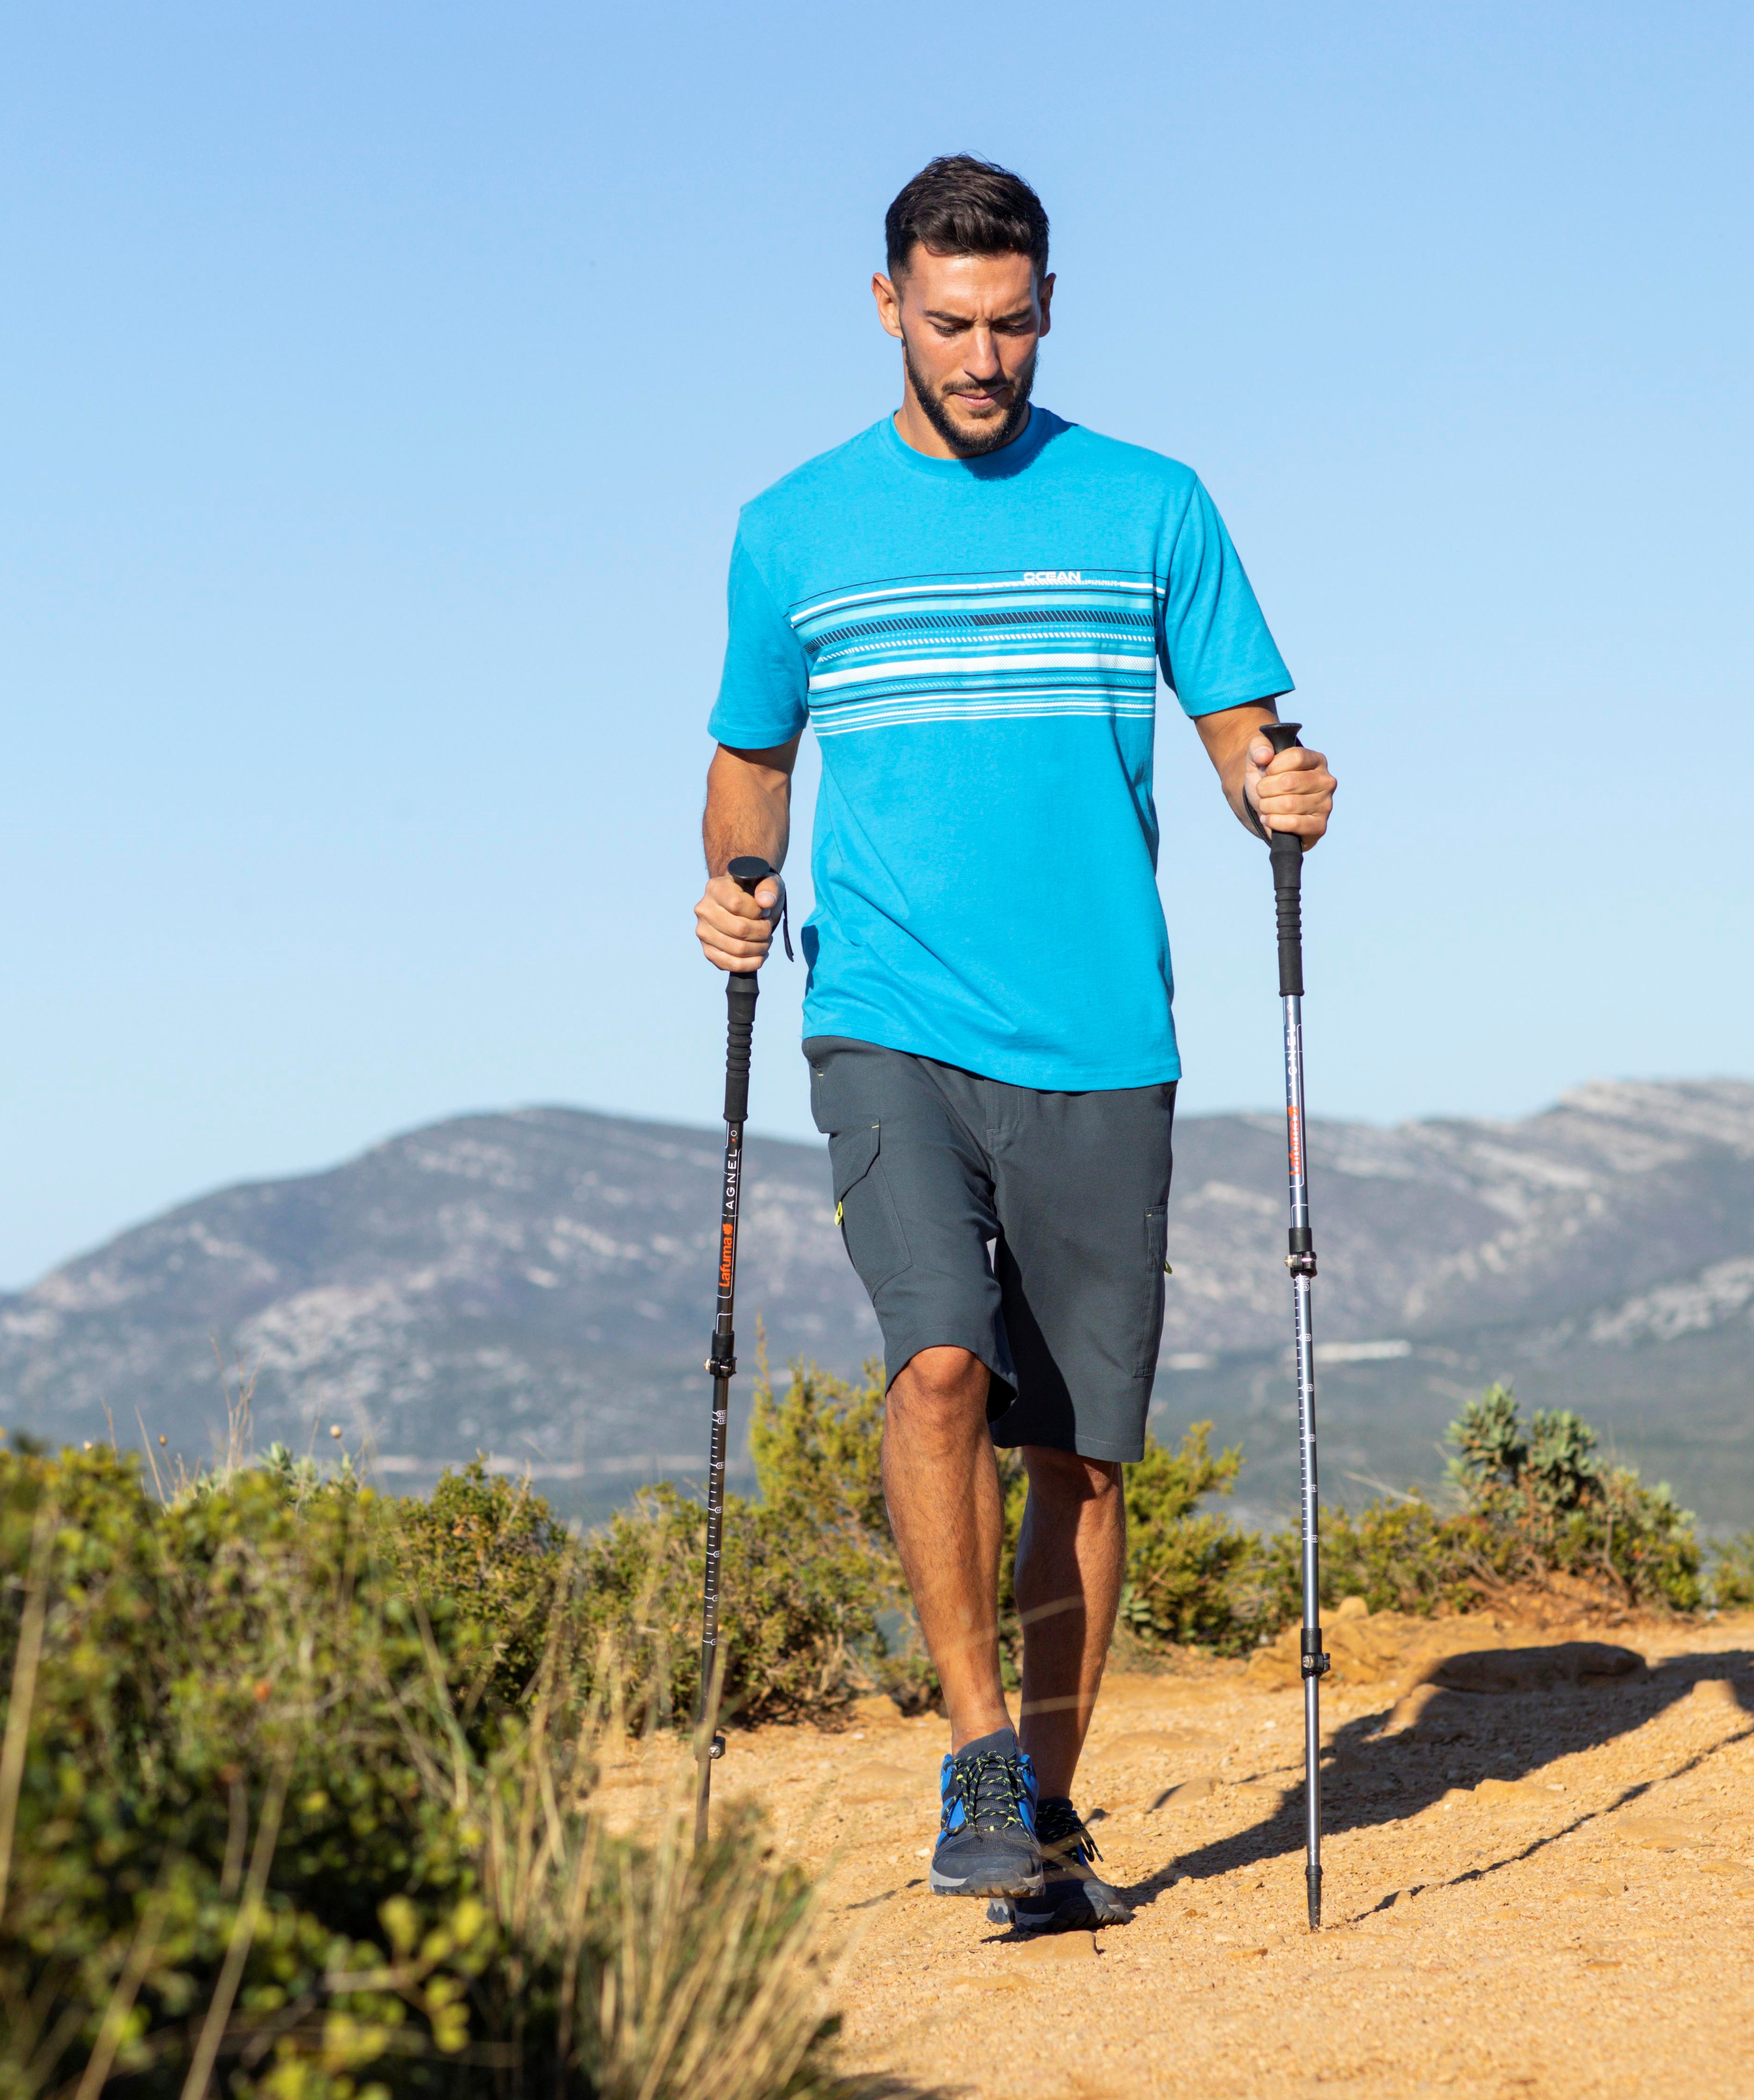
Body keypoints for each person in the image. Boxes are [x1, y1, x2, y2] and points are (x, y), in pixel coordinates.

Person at [692, 155, 1337, 1932]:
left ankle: (1045, 1811)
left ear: (1048, 308)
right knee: (938, 1371)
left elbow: (1243, 744)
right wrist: (733, 886)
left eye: (1013, 322)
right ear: (886, 304)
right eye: (951, 322)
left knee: (1080, 1453)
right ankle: (976, 1755)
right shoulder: (791, 528)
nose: (984, 357)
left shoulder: (1148, 505)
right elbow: (753, 764)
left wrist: (1283, 792)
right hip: (882, 1013)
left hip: (1101, 1032)